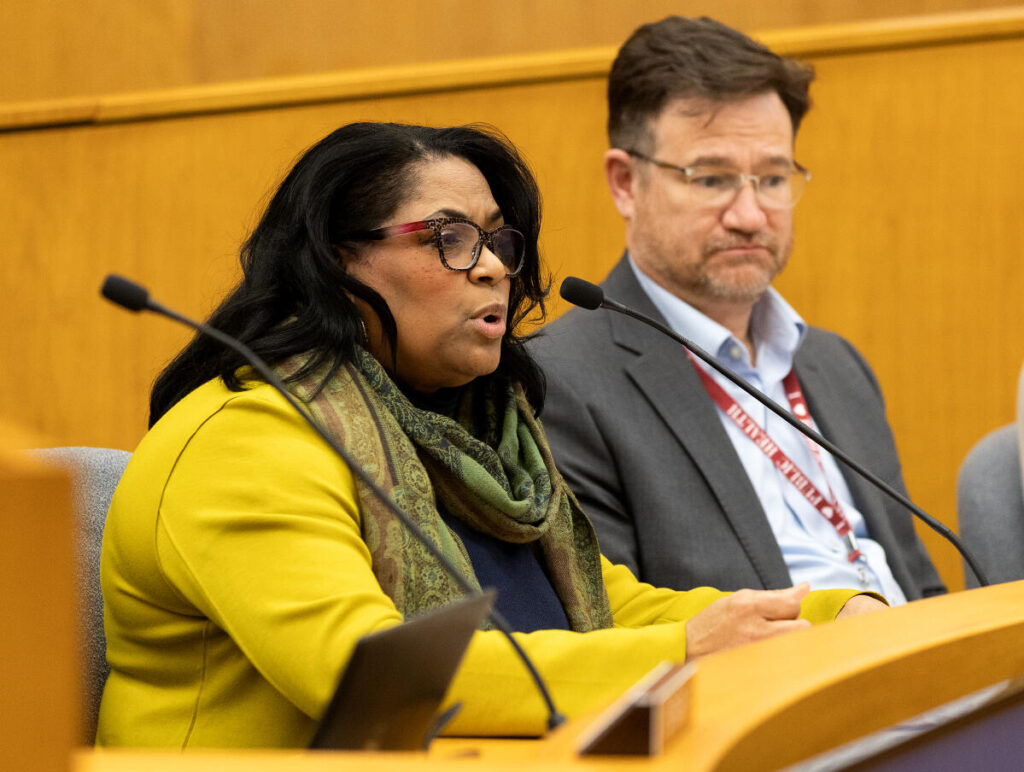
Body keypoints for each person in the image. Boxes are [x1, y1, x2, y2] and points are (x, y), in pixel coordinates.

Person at [97, 121, 880, 748]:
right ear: (339, 261)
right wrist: (684, 655)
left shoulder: (474, 436)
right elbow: (368, 673)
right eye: (451, 238)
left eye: (498, 241)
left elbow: (605, 609)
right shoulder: (246, 437)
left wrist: (821, 617)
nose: (493, 269)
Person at [531, 17, 945, 603]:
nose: (750, 215)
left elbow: (921, 588)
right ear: (625, 183)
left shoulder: (835, 364)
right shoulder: (561, 382)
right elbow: (610, 626)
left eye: (772, 178)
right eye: (712, 179)